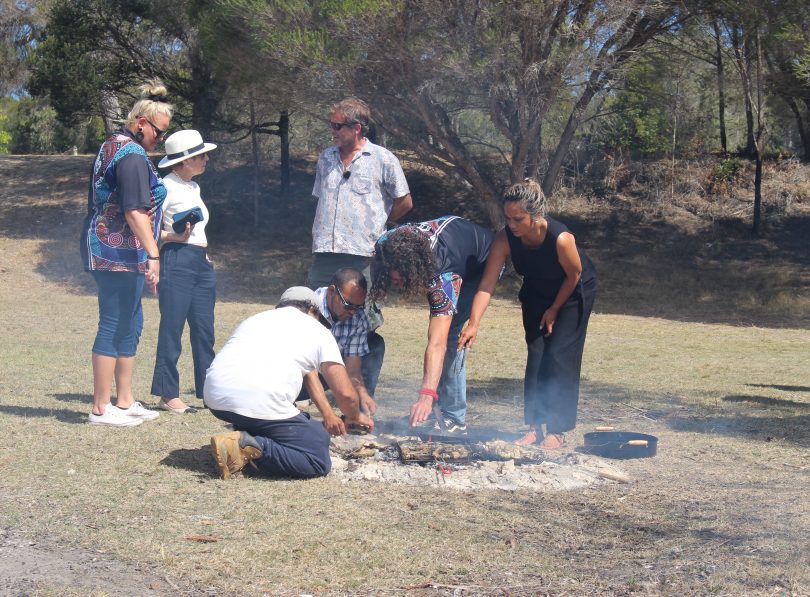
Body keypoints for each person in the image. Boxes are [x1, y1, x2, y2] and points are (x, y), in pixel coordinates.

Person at [458, 179, 597, 449]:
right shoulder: (505, 238)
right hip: (536, 291)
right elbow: (487, 284)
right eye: (508, 218)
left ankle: (557, 430)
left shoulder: (561, 239)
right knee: (536, 352)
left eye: (518, 219)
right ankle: (534, 427)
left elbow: (575, 274)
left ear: (536, 216)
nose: (511, 225)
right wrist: (474, 323)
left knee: (559, 354)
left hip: (572, 293)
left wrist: (555, 309)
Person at [204, 287, 374, 479]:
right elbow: (345, 393)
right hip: (257, 400)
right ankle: (250, 447)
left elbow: (310, 376)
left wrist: (328, 414)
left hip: (215, 399)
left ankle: (245, 436)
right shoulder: (318, 331)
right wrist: (354, 415)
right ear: (312, 310)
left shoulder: (254, 320)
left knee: (307, 425)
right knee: (318, 451)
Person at [81, 80, 172, 427]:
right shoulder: (131, 155)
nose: (159, 140)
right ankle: (101, 408)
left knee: (132, 321)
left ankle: (124, 400)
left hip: (121, 248)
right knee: (115, 322)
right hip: (113, 250)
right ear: (141, 124)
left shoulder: (114, 146)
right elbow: (135, 211)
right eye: (158, 133)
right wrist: (154, 254)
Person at [371, 216, 494, 433]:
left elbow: (437, 343)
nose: (395, 282)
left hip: (483, 262)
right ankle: (437, 410)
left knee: (450, 334)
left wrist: (426, 395)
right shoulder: (386, 245)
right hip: (456, 244)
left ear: (413, 269)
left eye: (398, 278)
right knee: (442, 333)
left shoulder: (443, 276)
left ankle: (454, 417)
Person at [308, 97, 412, 289]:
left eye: (338, 126)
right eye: (331, 125)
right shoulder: (325, 158)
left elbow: (405, 201)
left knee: (361, 312)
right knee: (318, 311)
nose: (333, 131)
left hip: (363, 254)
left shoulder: (383, 158)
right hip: (324, 252)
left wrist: (380, 223)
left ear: (356, 128)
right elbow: (321, 200)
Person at [149, 130, 218, 414]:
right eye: (200, 155)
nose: (206, 159)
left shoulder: (193, 187)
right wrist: (172, 238)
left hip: (200, 260)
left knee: (204, 329)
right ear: (184, 160)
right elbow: (148, 227)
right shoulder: (164, 186)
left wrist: (205, 252)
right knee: (173, 327)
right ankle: (168, 394)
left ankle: (209, 392)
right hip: (176, 259)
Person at [303, 268, 384, 416]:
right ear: (332, 291)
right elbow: (304, 366)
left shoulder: (358, 318)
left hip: (328, 372)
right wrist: (328, 414)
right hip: (298, 374)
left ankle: (357, 412)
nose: (353, 312)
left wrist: (363, 394)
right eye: (349, 305)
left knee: (375, 343)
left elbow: (353, 370)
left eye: (358, 307)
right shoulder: (306, 308)